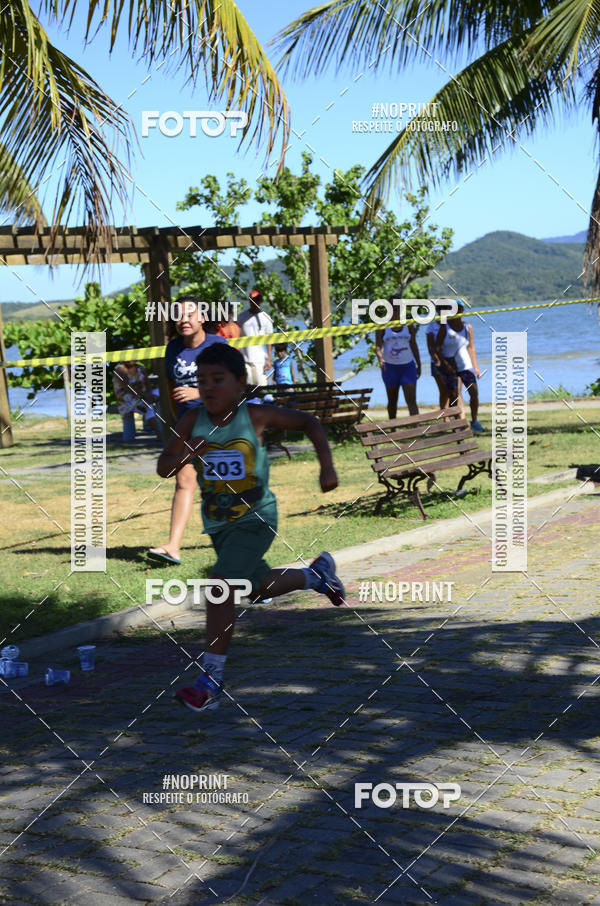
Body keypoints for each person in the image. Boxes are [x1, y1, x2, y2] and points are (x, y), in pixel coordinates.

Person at [156, 342, 344, 713]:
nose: (208, 387)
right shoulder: (191, 420)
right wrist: (187, 453)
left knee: (221, 586)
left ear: (240, 382)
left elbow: (310, 422)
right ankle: (318, 576)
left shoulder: (255, 415)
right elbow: (164, 467)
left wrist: (327, 467)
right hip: (219, 524)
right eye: (202, 380)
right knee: (254, 588)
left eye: (218, 379)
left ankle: (210, 680)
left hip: (257, 517)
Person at [148, 297, 227, 565]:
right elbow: (172, 389)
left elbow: (236, 387)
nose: (184, 320)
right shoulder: (173, 349)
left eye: (189, 314)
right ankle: (173, 547)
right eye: (178, 315)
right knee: (184, 480)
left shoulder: (218, 346)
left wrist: (199, 393)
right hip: (187, 425)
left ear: (202, 318)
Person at [435, 302, 485, 433]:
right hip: (451, 368)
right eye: (454, 309)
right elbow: (437, 348)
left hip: (466, 366)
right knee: (454, 395)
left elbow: (471, 347)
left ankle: (474, 421)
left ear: (462, 311)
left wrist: (476, 367)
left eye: (459, 309)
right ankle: (457, 424)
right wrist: (445, 364)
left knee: (474, 392)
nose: (457, 311)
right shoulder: (444, 327)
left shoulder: (467, 327)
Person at [375, 306, 421, 418]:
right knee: (392, 401)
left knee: (411, 400)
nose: (395, 310)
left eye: (398, 307)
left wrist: (419, 363)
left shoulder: (408, 324)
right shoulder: (382, 325)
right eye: (393, 307)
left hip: (407, 367)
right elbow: (378, 347)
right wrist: (380, 359)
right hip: (390, 368)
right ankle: (392, 426)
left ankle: (416, 426)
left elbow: (413, 344)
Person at [112, 360, 162, 442]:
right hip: (126, 399)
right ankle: (160, 434)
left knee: (158, 392)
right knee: (149, 408)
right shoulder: (120, 369)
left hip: (142, 397)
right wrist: (145, 395)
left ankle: (145, 405)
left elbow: (147, 384)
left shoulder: (141, 368)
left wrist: (148, 394)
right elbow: (127, 388)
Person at [237, 289, 273, 387]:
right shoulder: (241, 317)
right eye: (252, 300)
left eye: (257, 300)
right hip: (244, 359)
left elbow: (269, 340)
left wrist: (269, 359)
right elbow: (236, 335)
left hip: (259, 360)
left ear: (260, 301)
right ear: (249, 301)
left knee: (261, 386)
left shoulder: (266, 318)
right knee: (246, 388)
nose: (254, 303)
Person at [426, 303, 451, 411]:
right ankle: (445, 415)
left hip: (451, 360)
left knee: (453, 390)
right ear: (437, 311)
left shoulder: (451, 323)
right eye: (441, 309)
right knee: (444, 389)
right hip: (437, 362)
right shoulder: (432, 325)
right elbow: (430, 346)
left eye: (446, 309)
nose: (444, 311)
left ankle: (454, 414)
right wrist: (436, 359)